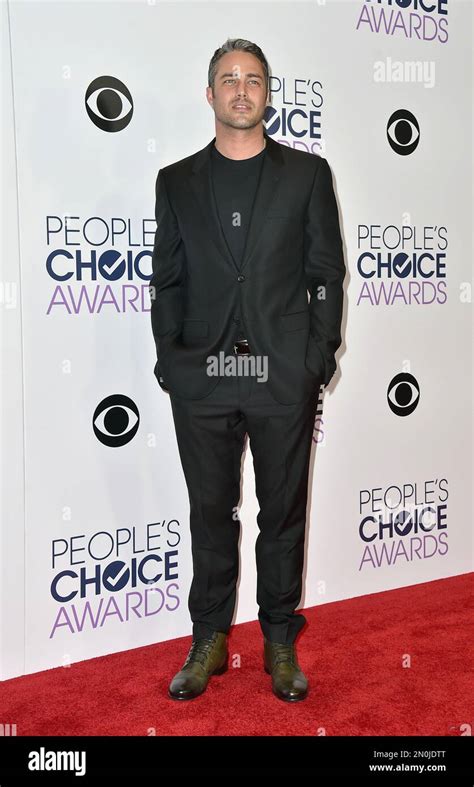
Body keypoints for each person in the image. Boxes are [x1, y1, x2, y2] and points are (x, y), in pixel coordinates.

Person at [149, 38, 345, 702]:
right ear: (210, 95)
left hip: (280, 378)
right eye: (228, 79)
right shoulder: (175, 181)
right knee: (210, 510)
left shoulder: (308, 175)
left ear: (268, 93)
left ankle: (280, 639)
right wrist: (174, 362)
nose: (241, 89)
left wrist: (313, 361)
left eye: (253, 79)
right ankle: (209, 639)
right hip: (202, 379)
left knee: (282, 512)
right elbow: (167, 280)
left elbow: (325, 276)